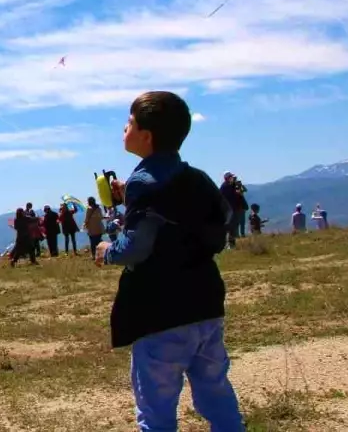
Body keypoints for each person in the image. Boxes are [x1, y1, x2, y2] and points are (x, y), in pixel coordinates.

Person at [94, 91, 242, 431]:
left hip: (160, 310)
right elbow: (221, 218)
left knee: (156, 411)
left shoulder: (143, 185)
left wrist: (107, 250)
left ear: (145, 136)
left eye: (130, 122)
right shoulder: (198, 178)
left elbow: (136, 248)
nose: (125, 127)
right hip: (206, 302)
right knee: (216, 394)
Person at [219, 174, 244, 249]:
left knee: (233, 227)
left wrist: (239, 185)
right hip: (230, 210)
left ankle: (231, 244)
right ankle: (229, 244)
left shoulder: (233, 185)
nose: (233, 178)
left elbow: (242, 192)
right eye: (231, 177)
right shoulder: (225, 187)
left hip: (235, 209)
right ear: (227, 178)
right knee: (230, 227)